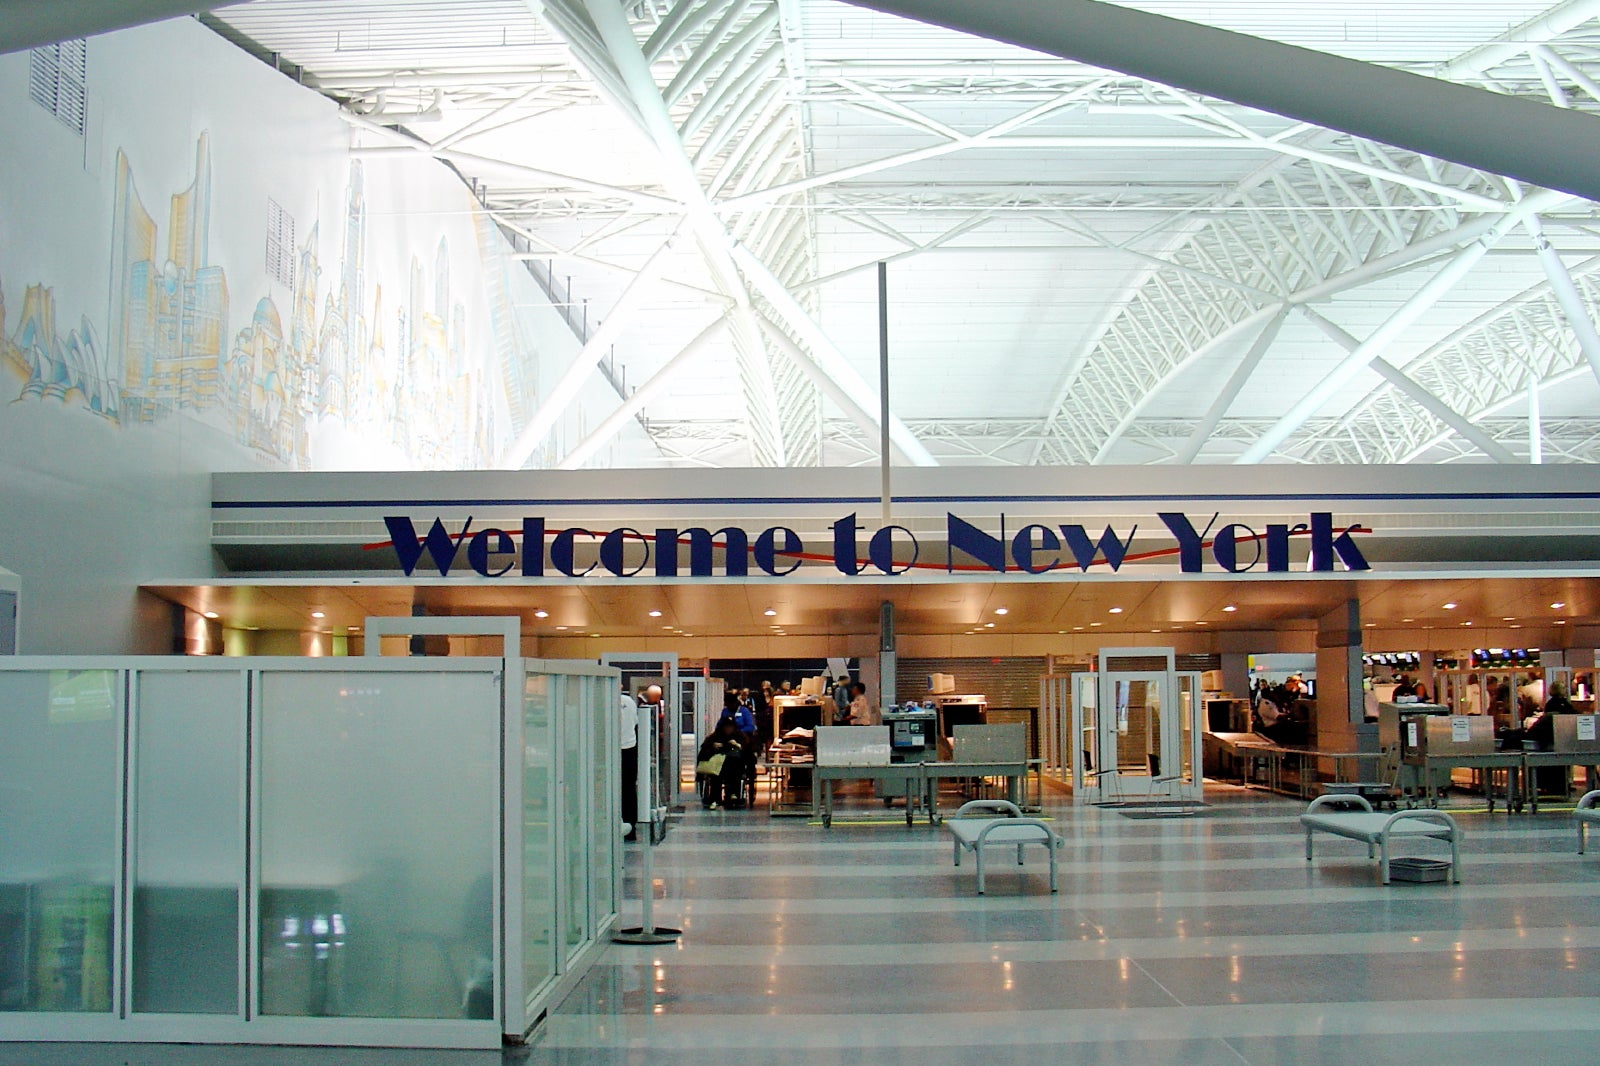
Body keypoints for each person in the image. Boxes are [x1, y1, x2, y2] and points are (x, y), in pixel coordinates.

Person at [696, 718, 747, 809]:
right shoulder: (715, 737)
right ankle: (715, 798)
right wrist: (713, 746)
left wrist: (737, 746)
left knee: (734, 767)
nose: (728, 729)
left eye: (730, 727)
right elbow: (704, 749)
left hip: (734, 769)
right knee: (716, 775)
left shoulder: (739, 736)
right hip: (717, 767)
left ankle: (733, 794)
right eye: (726, 727)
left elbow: (746, 752)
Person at [619, 686, 639, 842]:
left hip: (610, 749)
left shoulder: (604, 701)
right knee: (629, 789)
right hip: (630, 748)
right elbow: (636, 723)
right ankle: (630, 828)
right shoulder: (629, 701)